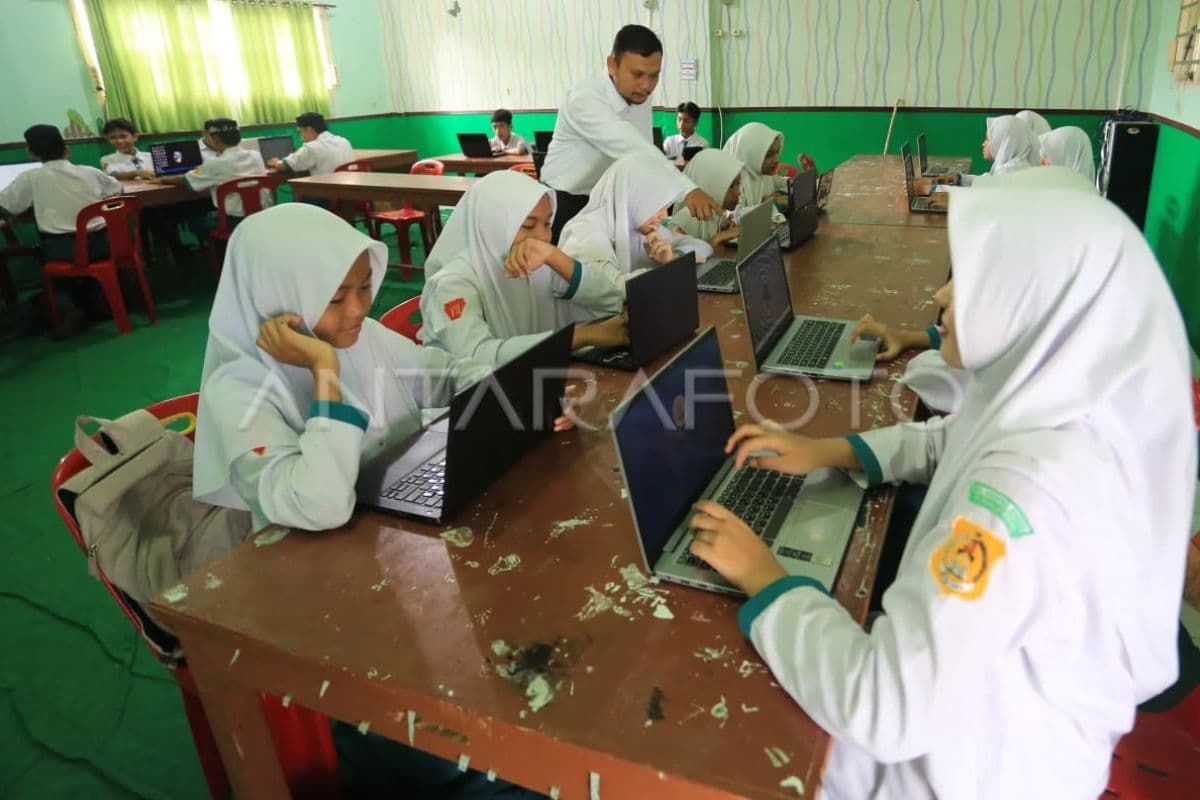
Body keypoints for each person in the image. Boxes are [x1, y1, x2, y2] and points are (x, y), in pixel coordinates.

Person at [687, 187, 1195, 799]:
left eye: (970, 280)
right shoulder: (1061, 407)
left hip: (962, 773)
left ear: (1030, 297)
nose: (943, 296)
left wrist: (765, 579)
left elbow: (884, 707)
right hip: (1003, 723)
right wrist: (826, 450)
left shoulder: (1022, 495)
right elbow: (945, 441)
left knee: (700, 713)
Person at [191, 202, 557, 799]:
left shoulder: (363, 338)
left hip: (393, 570)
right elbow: (321, 503)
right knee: (494, 763)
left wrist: (523, 390)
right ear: (279, 295)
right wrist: (324, 370)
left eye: (364, 288)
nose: (359, 309)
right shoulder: (241, 391)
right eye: (336, 297)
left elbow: (441, 371)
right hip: (330, 624)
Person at [421, 171, 626, 367]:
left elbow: (613, 301)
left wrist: (555, 257)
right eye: (528, 225)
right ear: (493, 225)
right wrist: (584, 336)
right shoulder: (451, 284)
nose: (543, 237)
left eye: (547, 224)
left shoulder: (536, 260)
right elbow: (475, 358)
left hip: (535, 379)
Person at [539, 24, 718, 242]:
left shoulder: (638, 94)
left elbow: (640, 161)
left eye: (654, 76)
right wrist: (687, 190)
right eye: (637, 74)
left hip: (607, 203)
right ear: (612, 65)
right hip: (565, 203)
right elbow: (634, 148)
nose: (646, 85)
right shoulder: (585, 98)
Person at [0, 124, 122, 336]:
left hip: (64, 250)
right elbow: (117, 189)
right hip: (102, 244)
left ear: (30, 151)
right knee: (91, 262)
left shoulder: (30, 178)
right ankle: (100, 303)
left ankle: (68, 309)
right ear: (67, 150)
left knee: (52, 265)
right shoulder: (90, 171)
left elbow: (7, 206)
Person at [557, 153, 694, 294]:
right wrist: (667, 269)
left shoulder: (636, 225)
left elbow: (700, 247)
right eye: (658, 205)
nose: (664, 216)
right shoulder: (583, 235)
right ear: (634, 197)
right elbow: (611, 291)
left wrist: (673, 258)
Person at [154, 118, 269, 236]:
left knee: (193, 220)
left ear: (215, 139)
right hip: (261, 214)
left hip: (232, 221)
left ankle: (207, 250)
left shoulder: (215, 163)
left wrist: (161, 179)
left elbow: (186, 180)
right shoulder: (256, 155)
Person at [668, 149, 741, 248]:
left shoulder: (718, 214)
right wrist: (717, 239)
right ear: (709, 184)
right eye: (731, 186)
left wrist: (726, 233)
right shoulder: (687, 220)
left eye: (738, 183)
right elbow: (676, 261)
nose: (738, 192)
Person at [721, 122, 789, 218]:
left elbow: (782, 182)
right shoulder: (734, 181)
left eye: (777, 153)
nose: (777, 160)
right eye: (769, 155)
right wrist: (771, 204)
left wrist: (804, 182)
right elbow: (734, 216)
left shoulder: (760, 172)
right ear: (751, 155)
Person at [267, 111, 353, 176]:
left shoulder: (312, 147)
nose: (301, 137)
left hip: (326, 194)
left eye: (300, 132)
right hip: (348, 193)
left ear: (309, 129)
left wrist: (276, 162)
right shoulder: (343, 141)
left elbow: (286, 165)